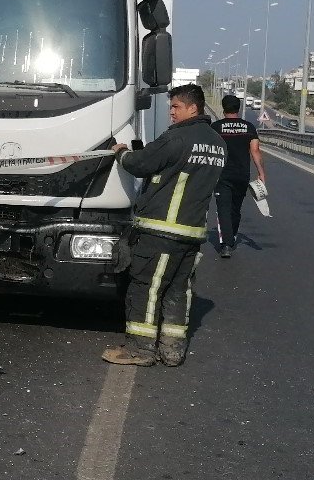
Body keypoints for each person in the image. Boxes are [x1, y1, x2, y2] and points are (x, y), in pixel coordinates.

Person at [103, 84, 226, 367]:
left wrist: (120, 152)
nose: (171, 113)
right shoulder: (217, 143)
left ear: (193, 108)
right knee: (178, 291)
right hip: (193, 233)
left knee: (146, 287)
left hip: (162, 230)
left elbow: (140, 163)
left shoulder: (177, 138)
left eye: (176, 108)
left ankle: (140, 349)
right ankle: (172, 351)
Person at [211, 95, 266, 258]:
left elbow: (210, 150)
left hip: (222, 174)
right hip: (242, 175)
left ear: (223, 108)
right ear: (238, 108)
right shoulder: (249, 127)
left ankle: (227, 244)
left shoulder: (216, 127)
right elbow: (255, 151)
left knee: (223, 209)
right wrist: (261, 173)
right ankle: (231, 236)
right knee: (235, 208)